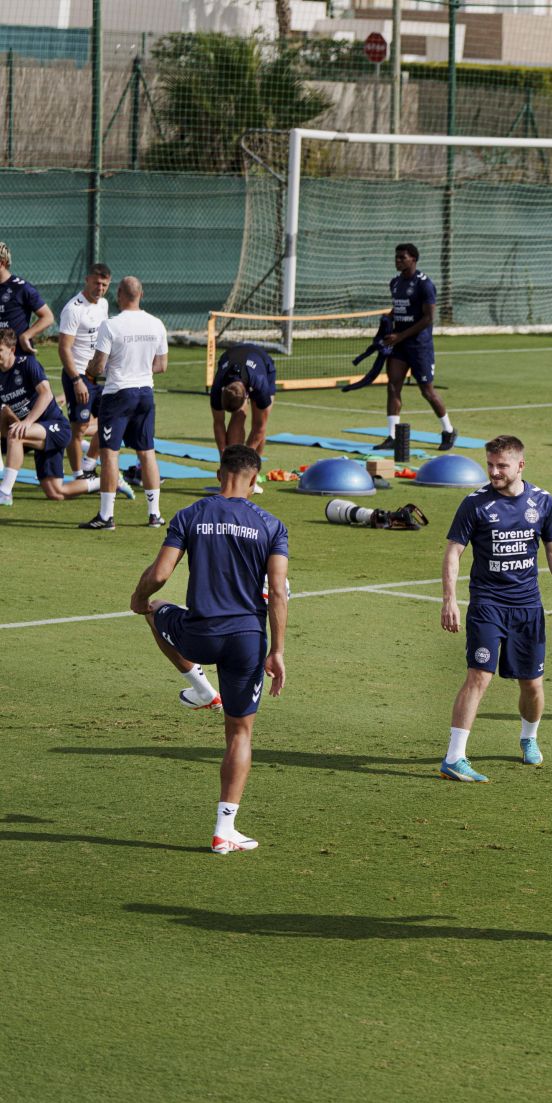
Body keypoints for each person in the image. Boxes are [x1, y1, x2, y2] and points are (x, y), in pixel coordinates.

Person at [130, 445, 290, 854]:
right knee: (240, 733)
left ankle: (198, 686)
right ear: (255, 480)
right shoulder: (272, 525)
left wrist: (138, 597)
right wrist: (278, 651)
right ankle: (224, 831)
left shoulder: (191, 514)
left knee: (156, 611)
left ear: (221, 474)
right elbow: (277, 595)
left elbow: (161, 574)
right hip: (247, 641)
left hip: (199, 633)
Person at [437, 435, 552, 781]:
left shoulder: (542, 501)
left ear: (520, 466)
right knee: (478, 676)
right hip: (488, 603)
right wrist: (449, 599)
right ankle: (454, 758)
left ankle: (529, 739)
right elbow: (454, 552)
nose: (494, 472)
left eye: (501, 466)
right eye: (490, 465)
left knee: (531, 683)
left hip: (528, 605)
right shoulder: (475, 504)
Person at [85, 276, 169, 531]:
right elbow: (161, 366)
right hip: (145, 392)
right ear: (141, 294)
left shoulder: (111, 325)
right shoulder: (156, 324)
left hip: (118, 393)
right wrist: (141, 369)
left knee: (110, 453)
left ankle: (107, 516)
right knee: (147, 452)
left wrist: (89, 370)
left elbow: (98, 366)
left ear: (120, 294)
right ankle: (154, 514)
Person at [0, 326, 113, 505]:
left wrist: (27, 422)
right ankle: (108, 481)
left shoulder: (27, 363)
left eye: (0, 350)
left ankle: (5, 492)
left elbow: (46, 394)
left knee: (16, 434)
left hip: (56, 427)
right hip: (37, 433)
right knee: (56, 492)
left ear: (12, 350)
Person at [383, 243, 457, 452]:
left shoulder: (425, 285)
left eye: (402, 258)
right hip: (400, 346)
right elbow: (399, 308)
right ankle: (392, 435)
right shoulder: (395, 283)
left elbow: (428, 318)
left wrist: (400, 336)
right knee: (393, 386)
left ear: (413, 259)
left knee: (427, 391)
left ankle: (448, 430)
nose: (397, 261)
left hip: (419, 346)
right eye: (396, 257)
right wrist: (387, 319)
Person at [56, 262, 111, 477]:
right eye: (97, 283)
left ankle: (89, 464)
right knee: (79, 427)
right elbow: (64, 348)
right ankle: (78, 474)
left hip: (100, 376)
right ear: (87, 280)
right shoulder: (73, 309)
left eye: (105, 285)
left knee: (108, 420)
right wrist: (77, 380)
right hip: (79, 375)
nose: (100, 288)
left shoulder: (104, 305)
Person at [208, 340, 277, 456]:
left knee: (258, 420)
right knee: (238, 415)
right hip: (231, 356)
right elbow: (218, 423)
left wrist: (246, 457)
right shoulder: (218, 385)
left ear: (246, 397)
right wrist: (223, 455)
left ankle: (253, 470)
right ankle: (232, 460)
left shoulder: (260, 383)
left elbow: (260, 428)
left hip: (263, 363)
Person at [0, 241, 55, 354]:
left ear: (2, 263)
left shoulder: (21, 288)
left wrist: (26, 336)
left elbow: (48, 317)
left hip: (17, 357)